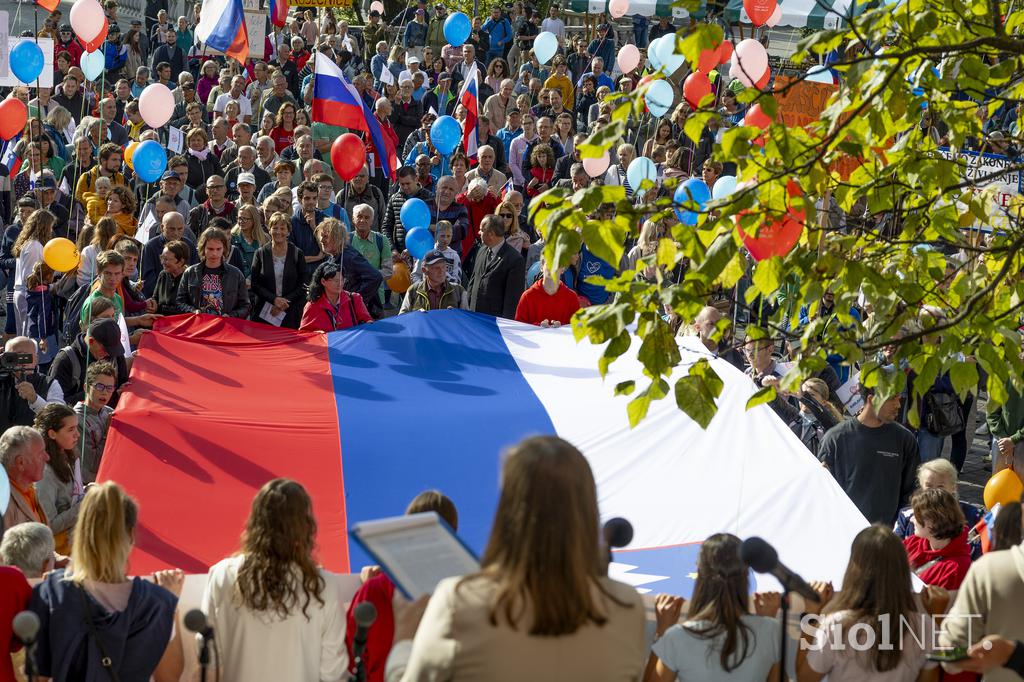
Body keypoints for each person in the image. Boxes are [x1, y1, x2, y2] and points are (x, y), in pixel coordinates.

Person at [385, 436, 645, 680]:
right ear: (588, 507)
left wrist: (404, 637)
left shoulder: (459, 600)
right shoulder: (626, 606)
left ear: (508, 507)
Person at [28, 482, 184, 681]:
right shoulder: (158, 602)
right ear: (130, 536)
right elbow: (170, 678)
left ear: (81, 533)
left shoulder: (51, 593)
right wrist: (171, 607)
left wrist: (52, 590)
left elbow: (37, 677)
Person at [201, 479, 348, 682]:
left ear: (255, 522)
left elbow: (208, 659)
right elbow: (333, 673)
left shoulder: (222, 575)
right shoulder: (324, 585)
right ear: (305, 527)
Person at [798, 525, 944, 682]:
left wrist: (811, 615)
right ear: (902, 570)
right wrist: (936, 619)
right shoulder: (925, 627)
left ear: (854, 570)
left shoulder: (837, 626)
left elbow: (804, 678)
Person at [345, 490, 458, 682]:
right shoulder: (463, 594)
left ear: (407, 529)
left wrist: (369, 588)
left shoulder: (374, 590)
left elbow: (351, 656)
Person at [644, 534, 782, 681]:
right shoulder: (771, 630)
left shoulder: (677, 637)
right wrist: (767, 620)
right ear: (746, 574)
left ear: (700, 572)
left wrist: (662, 632)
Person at [819, 381, 920, 526]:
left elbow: (911, 491)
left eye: (899, 398)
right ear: (872, 399)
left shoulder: (905, 439)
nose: (898, 405)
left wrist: (899, 528)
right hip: (845, 532)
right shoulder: (835, 439)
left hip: (887, 536)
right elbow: (823, 492)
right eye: (892, 399)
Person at [893, 458, 983, 556]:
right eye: (929, 486)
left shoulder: (973, 515)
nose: (934, 492)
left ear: (953, 487)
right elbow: (894, 551)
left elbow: (981, 555)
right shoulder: (907, 515)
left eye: (940, 487)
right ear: (921, 487)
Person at [33, 403, 84, 555]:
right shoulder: (44, 472)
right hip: (59, 553)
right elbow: (48, 525)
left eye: (76, 427)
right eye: (70, 429)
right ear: (52, 434)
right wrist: (84, 506)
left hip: (73, 542)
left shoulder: (67, 456)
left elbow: (72, 497)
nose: (77, 434)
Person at [903, 487, 971, 589]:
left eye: (916, 516)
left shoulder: (956, 568)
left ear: (932, 521)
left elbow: (940, 604)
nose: (912, 519)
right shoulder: (914, 542)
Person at [174, 227, 251, 317]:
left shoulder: (235, 274)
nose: (214, 253)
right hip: (198, 325)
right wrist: (193, 311)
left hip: (225, 326)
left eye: (218, 249)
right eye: (210, 249)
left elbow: (246, 306)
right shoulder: (190, 272)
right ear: (203, 248)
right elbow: (180, 301)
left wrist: (231, 316)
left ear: (224, 249)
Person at [48, 318, 127, 404]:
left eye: (113, 350)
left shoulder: (114, 354)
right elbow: (56, 404)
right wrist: (93, 392)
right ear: (91, 341)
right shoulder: (65, 360)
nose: (109, 354)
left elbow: (123, 382)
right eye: (105, 349)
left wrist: (121, 391)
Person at [250, 211, 308, 329]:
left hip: (290, 312)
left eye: (282, 228)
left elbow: (304, 284)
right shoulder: (260, 253)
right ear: (269, 229)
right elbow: (254, 284)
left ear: (288, 231)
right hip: (265, 312)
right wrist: (274, 300)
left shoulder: (297, 253)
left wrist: (284, 302)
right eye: (275, 228)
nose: (278, 232)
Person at [468, 214, 526, 319]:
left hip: (495, 322)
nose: (479, 232)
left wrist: (505, 326)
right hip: (474, 317)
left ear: (490, 234)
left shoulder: (515, 260)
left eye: (481, 230)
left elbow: (512, 299)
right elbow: (473, 280)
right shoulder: (481, 250)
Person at [74, 360, 116, 484]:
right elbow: (92, 465)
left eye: (109, 388)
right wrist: (107, 434)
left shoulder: (109, 411)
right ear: (86, 387)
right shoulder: (76, 419)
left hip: (108, 481)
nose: (104, 392)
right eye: (99, 386)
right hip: (89, 487)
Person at [300, 260, 372, 332]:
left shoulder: (354, 299)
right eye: (336, 281)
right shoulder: (312, 305)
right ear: (323, 281)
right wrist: (317, 333)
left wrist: (369, 323)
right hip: (328, 343)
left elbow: (367, 320)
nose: (340, 284)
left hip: (352, 342)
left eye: (342, 280)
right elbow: (305, 333)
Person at [1, 425, 49, 530]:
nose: (47, 457)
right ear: (20, 463)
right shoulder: (4, 502)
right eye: (40, 454)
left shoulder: (29, 489)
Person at [514, 260, 580, 326]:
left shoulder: (572, 298)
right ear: (542, 266)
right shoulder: (527, 296)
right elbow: (518, 328)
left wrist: (561, 327)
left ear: (563, 268)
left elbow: (578, 328)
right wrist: (538, 327)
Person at [401, 249, 468, 312]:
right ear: (424, 270)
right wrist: (416, 316)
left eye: (444, 266)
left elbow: (467, 319)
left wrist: (457, 315)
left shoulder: (459, 291)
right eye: (436, 268)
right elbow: (402, 318)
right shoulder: (413, 291)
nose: (441, 271)